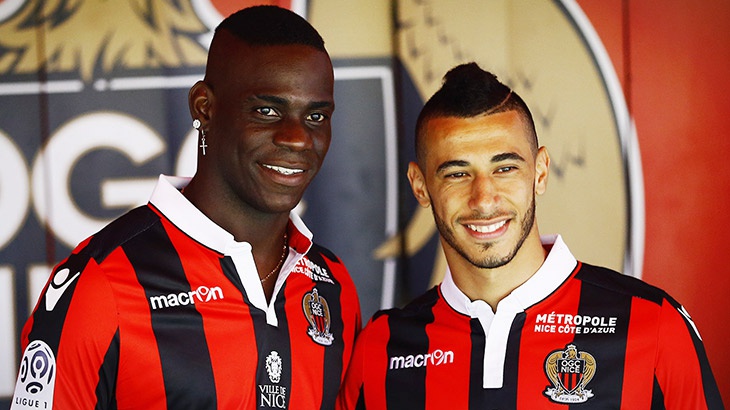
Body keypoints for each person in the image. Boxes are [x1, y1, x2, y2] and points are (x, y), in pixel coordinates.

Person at [12, 6, 361, 410]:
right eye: (267, 111)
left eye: (315, 115)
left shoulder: (332, 284)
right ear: (204, 108)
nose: (297, 138)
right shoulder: (102, 283)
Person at [336, 63, 723, 409]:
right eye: (457, 173)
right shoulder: (380, 349)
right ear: (420, 186)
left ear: (540, 172)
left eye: (505, 169)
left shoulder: (654, 326)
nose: (484, 199)